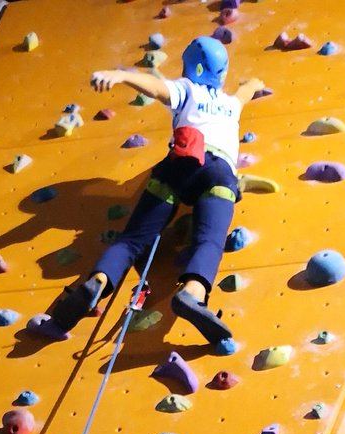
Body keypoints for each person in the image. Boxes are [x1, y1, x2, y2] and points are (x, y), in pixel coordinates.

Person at [36, 37, 264, 345]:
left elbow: (157, 88)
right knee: (209, 241)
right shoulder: (230, 104)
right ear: (221, 73)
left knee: (131, 241)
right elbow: (247, 91)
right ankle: (192, 294)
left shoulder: (186, 89)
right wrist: (254, 82)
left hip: (178, 167)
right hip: (219, 175)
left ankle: (98, 281)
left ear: (191, 67)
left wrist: (121, 75)